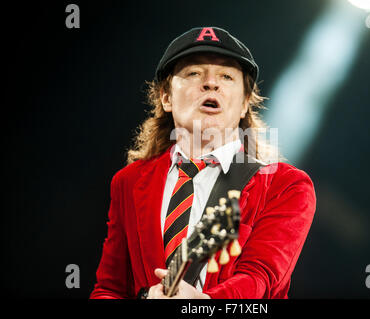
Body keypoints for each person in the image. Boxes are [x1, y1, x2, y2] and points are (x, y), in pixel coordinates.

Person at [90, 26, 316, 299]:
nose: (211, 83)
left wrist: (205, 303)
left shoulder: (285, 186)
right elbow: (109, 289)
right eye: (194, 73)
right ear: (166, 97)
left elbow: (261, 279)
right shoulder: (128, 181)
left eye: (227, 76)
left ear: (245, 103)